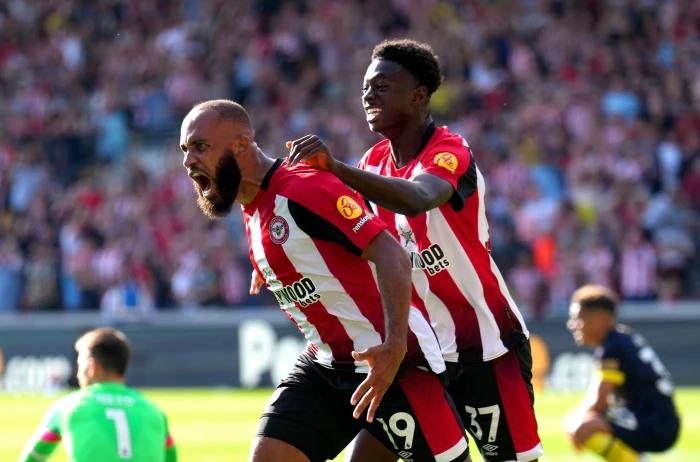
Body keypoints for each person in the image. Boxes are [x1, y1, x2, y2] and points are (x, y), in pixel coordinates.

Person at [286, 39, 543, 461]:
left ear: (418, 96)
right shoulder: (372, 164)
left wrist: (335, 168)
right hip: (419, 353)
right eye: (366, 86)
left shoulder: (449, 150)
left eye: (382, 85)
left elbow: (419, 197)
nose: (369, 94)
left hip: (484, 347)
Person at [180, 99, 469, 462]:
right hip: (327, 363)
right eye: (185, 150)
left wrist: (395, 348)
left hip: (394, 362)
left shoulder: (303, 188)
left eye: (200, 146)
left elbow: (391, 253)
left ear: (241, 144)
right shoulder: (250, 203)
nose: (189, 160)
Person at [18, 328, 176, 462]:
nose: (78, 372)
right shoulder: (155, 412)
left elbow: (30, 459)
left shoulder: (68, 407)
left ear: (92, 367)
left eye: (79, 363)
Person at [564, 285, 680, 462]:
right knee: (579, 421)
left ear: (600, 320)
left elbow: (599, 402)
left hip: (654, 424)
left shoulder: (613, 347)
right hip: (657, 419)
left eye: (578, 318)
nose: (572, 325)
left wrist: (576, 426)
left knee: (582, 426)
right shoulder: (621, 340)